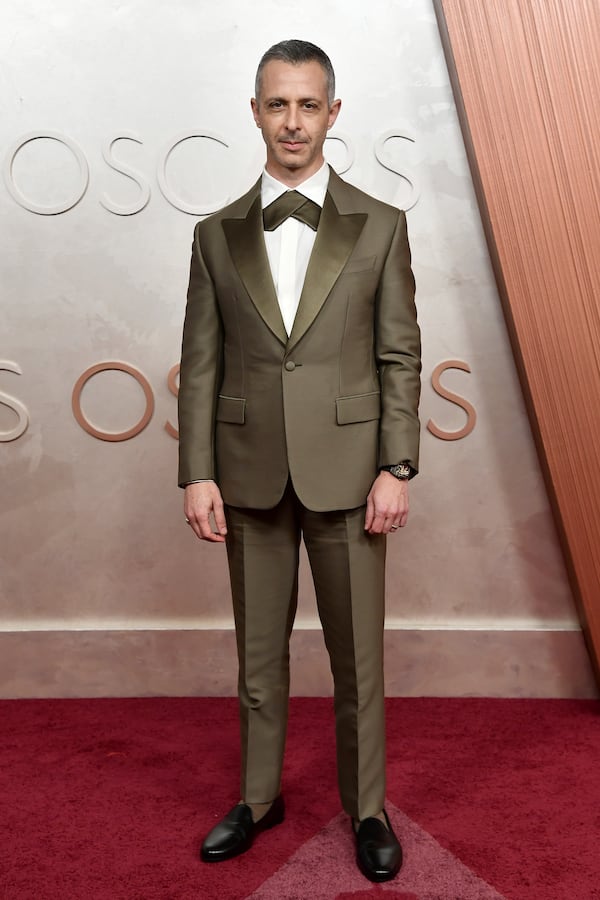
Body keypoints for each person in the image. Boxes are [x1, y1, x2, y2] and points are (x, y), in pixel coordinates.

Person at [177, 39, 421, 883]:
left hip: (353, 475)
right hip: (246, 473)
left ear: (333, 113)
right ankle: (257, 797)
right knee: (257, 655)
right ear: (255, 112)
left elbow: (400, 357)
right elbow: (201, 361)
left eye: (308, 105)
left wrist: (398, 466)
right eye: (277, 104)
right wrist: (197, 471)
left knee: (358, 659)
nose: (292, 121)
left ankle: (367, 809)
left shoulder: (381, 226)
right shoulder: (215, 235)